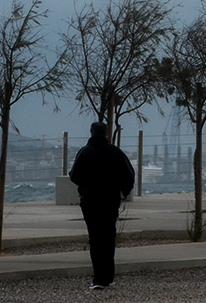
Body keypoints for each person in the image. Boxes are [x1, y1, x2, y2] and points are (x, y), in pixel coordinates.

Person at [68, 121, 136, 290]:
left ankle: (98, 278)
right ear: (107, 133)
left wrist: (85, 186)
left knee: (95, 238)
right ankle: (108, 276)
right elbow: (129, 174)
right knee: (108, 236)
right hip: (110, 200)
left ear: (91, 133)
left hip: (90, 200)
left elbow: (74, 175)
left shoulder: (84, 152)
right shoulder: (116, 152)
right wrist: (124, 190)